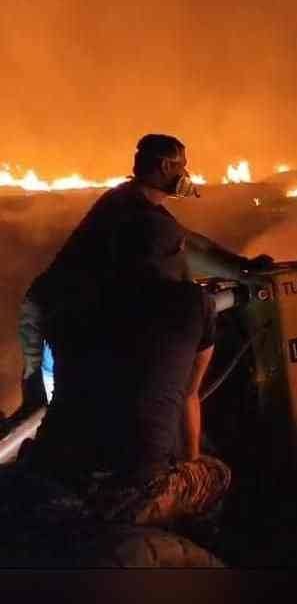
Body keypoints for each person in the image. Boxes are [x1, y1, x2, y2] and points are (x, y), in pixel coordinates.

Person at [1, 134, 272, 435]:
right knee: (46, 417)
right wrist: (242, 279)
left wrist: (239, 265)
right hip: (54, 319)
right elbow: (183, 278)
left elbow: (189, 243)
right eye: (181, 166)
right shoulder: (141, 219)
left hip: (47, 309)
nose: (184, 173)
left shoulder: (126, 200)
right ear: (165, 166)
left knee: (43, 412)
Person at [21, 210, 230, 525]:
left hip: (56, 466)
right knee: (217, 475)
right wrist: (190, 461)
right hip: (132, 487)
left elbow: (56, 380)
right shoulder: (193, 303)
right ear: (172, 253)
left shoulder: (70, 304)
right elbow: (190, 395)